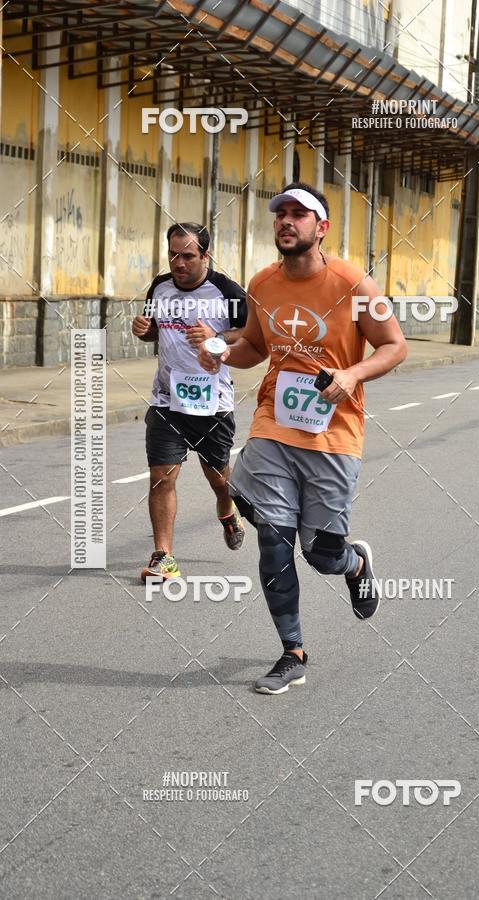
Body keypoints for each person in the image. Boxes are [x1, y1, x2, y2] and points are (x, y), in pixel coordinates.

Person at [198, 183, 407, 693]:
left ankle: (353, 563)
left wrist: (353, 374)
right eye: (281, 214)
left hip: (334, 434)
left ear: (322, 227)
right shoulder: (263, 282)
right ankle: (292, 651)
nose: (286, 221)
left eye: (299, 214)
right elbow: (254, 346)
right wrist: (222, 355)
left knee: (320, 554)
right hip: (274, 424)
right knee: (273, 541)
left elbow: (394, 346)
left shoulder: (354, 284)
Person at [132, 222, 247, 582]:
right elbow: (155, 329)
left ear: (205, 255)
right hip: (167, 400)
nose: (178, 263)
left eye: (187, 256)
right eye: (173, 255)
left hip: (212, 403)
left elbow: (253, 334)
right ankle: (163, 557)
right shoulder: (160, 286)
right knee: (161, 477)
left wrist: (218, 335)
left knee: (219, 479)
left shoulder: (227, 291)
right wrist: (145, 330)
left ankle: (227, 510)